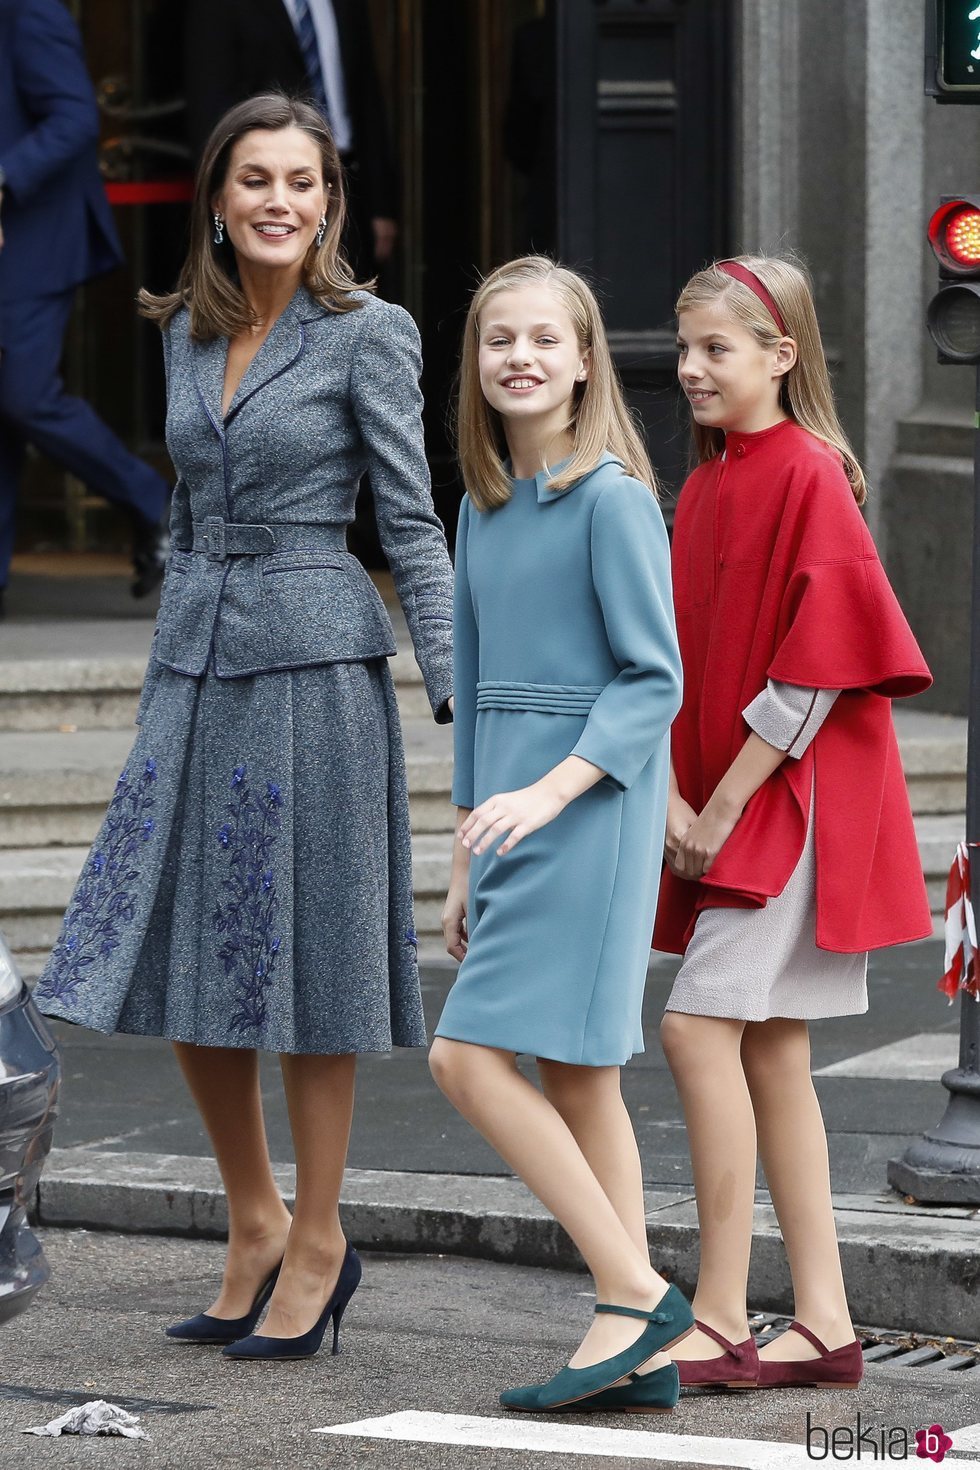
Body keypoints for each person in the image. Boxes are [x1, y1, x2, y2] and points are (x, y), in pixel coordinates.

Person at [34, 93, 454, 1363]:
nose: (281, 201)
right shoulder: (180, 331)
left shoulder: (366, 334)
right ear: (215, 198)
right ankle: (255, 1218)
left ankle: (320, 1236)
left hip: (316, 670)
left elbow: (412, 525)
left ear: (330, 201)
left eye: (304, 182)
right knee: (173, 953)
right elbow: (183, 507)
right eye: (256, 180)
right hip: (195, 668)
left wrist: (458, 695)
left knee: (308, 969)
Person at [656, 255, 932, 1391]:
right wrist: (681, 796)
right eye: (682, 350)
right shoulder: (709, 480)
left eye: (714, 350)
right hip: (740, 797)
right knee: (770, 1050)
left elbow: (812, 676)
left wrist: (716, 807)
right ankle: (821, 1319)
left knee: (694, 1028)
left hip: (791, 800)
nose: (688, 369)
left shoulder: (809, 474)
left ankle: (721, 1314)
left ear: (779, 356)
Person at [430, 256, 691, 1415]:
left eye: (544, 339)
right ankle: (641, 1346)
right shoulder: (479, 507)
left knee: (461, 1056)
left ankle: (634, 1293)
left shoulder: (614, 499)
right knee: (580, 1079)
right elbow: (476, 690)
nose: (520, 358)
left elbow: (652, 682)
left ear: (585, 360)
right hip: (510, 810)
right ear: (477, 365)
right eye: (499, 341)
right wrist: (460, 851)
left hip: (591, 806)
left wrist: (549, 793)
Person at [0, 0, 169, 618]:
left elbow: (74, 116)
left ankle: (155, 503)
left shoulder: (27, 9)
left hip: (32, 240)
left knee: (23, 394)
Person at [183, 0, 398, 278]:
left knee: (345, 296)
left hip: (348, 182)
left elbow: (367, 96)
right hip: (258, 189)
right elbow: (208, 106)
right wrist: (227, 192)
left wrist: (381, 205)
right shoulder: (217, 8)